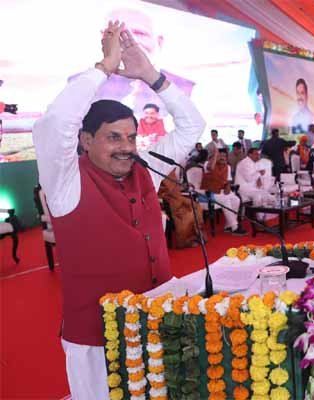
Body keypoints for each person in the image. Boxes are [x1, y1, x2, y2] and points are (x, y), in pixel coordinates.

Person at [33, 22, 205, 400]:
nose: (126, 147)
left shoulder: (146, 169)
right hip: (97, 344)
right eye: (113, 137)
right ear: (86, 140)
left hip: (158, 323)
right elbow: (54, 123)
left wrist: (150, 75)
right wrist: (104, 68)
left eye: (131, 137)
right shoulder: (66, 182)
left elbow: (192, 125)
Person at [198, 148, 246, 235]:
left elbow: (229, 179)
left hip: (222, 191)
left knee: (236, 200)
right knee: (225, 200)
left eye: (224, 156)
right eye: (220, 155)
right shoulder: (207, 164)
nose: (222, 157)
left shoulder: (228, 167)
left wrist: (228, 186)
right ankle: (235, 227)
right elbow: (210, 168)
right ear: (215, 157)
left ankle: (228, 226)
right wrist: (216, 154)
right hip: (210, 192)